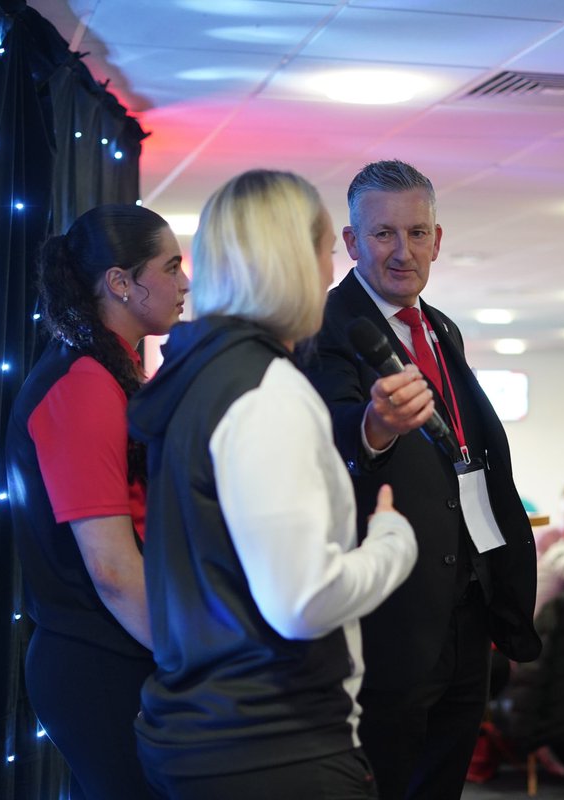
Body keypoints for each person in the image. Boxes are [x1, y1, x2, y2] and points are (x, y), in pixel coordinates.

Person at [127, 170, 419, 799]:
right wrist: (393, 544)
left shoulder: (197, 375)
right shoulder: (266, 391)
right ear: (295, 260)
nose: (329, 271)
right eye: (325, 252)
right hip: (273, 740)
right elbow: (301, 601)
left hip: (210, 729)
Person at [302, 159, 540, 800]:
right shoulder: (323, 327)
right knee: (384, 782)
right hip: (390, 609)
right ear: (352, 243)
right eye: (383, 234)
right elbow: (330, 440)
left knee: (443, 783)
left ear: (437, 239)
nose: (402, 251)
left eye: (416, 233)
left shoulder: (441, 327)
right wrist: (373, 428)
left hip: (464, 603)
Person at [5, 204, 189, 799]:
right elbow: (111, 568)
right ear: (120, 282)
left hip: (111, 651)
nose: (185, 283)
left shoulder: (108, 371)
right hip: (98, 661)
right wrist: (192, 657)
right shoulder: (82, 383)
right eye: (171, 267)